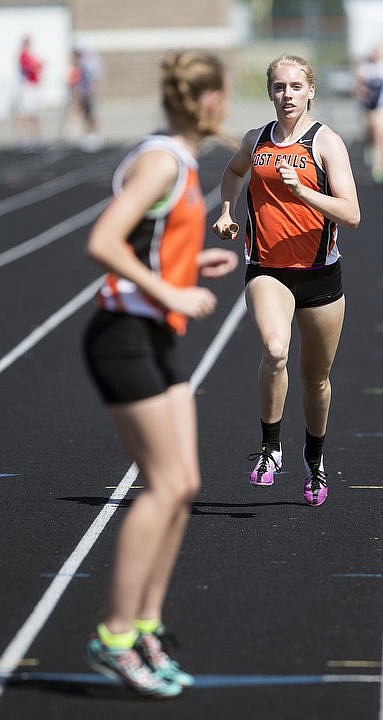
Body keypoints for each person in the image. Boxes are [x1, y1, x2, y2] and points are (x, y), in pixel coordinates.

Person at [83, 50, 238, 698]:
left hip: (154, 333)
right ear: (207, 101)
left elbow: (148, 242)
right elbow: (104, 240)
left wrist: (184, 267)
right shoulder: (160, 161)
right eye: (225, 93)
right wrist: (169, 293)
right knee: (164, 483)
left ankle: (145, 625)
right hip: (122, 337)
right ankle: (113, 636)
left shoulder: (178, 160)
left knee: (185, 483)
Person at [213, 54, 360, 507]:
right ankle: (270, 447)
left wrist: (303, 191)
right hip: (267, 270)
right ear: (270, 91)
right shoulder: (256, 140)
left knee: (316, 380)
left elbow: (351, 215)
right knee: (275, 350)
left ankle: (314, 458)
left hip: (320, 276)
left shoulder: (326, 142)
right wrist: (225, 211)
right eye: (279, 87)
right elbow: (234, 172)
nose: (287, 95)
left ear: (310, 91)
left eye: (296, 86)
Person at [65, 45, 104, 150]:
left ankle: (94, 135)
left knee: (90, 114)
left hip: (86, 94)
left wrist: (89, 92)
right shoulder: (78, 66)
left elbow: (91, 81)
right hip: (81, 94)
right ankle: (86, 134)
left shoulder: (86, 65)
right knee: (83, 114)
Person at [353, 45, 383, 182]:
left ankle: (378, 166)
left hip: (379, 107)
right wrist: (364, 93)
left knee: (379, 134)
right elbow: (356, 88)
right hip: (367, 107)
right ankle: (367, 147)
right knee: (369, 133)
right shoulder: (364, 68)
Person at [14, 36, 43, 145]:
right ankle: (23, 136)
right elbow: (34, 66)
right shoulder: (23, 56)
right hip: (27, 87)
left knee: (33, 112)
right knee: (25, 112)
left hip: (32, 86)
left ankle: (35, 136)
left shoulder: (30, 55)